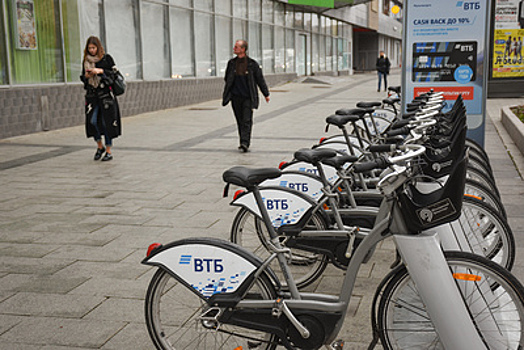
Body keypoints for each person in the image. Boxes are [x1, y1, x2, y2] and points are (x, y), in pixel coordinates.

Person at [222, 39, 270, 153]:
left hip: (248, 97)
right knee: (239, 120)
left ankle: (245, 143)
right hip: (235, 97)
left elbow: (260, 80)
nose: (234, 49)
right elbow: (227, 78)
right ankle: (242, 141)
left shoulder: (252, 64)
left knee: (247, 120)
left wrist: (266, 94)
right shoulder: (232, 63)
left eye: (236, 47)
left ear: (243, 49)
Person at [80, 36, 121, 161]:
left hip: (106, 96)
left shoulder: (107, 59)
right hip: (92, 96)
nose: (92, 50)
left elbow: (114, 74)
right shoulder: (86, 61)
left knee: (106, 123)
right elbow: (83, 78)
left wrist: (101, 71)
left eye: (94, 48)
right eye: (89, 48)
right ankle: (99, 146)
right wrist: (87, 76)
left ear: (98, 47)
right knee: (92, 122)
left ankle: (108, 151)